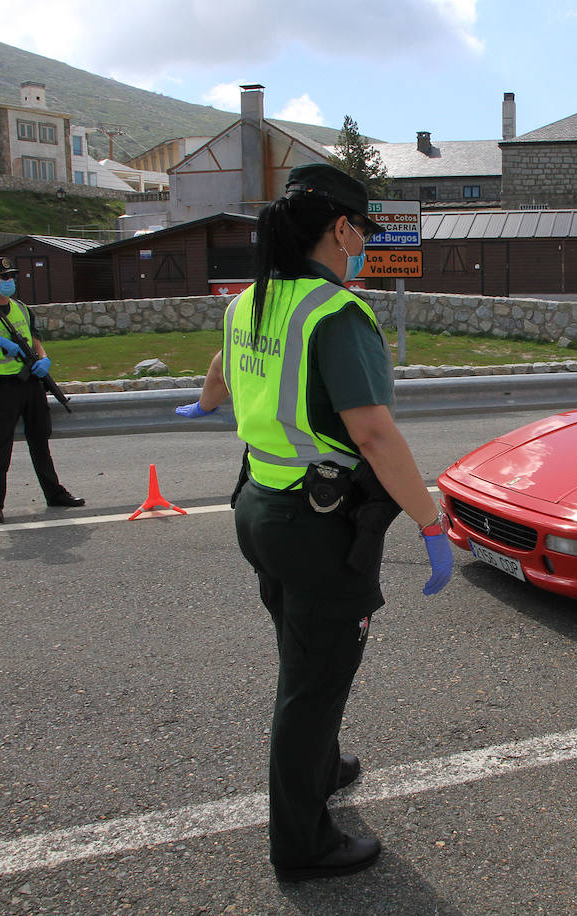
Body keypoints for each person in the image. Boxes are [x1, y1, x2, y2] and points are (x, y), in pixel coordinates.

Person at [177, 163, 453, 882]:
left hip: (258, 508)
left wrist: (207, 401)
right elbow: (375, 436)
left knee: (302, 652)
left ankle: (324, 766)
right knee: (313, 683)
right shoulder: (335, 313)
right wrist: (429, 522)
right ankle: (302, 844)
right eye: (362, 230)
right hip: (316, 524)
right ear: (340, 228)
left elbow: (220, 364)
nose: (363, 242)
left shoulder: (251, 301)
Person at [0, 257, 84, 524]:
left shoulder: (22, 309)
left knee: (40, 441)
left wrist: (43, 358)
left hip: (31, 384)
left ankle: (55, 494)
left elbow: (35, 340)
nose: (9, 282)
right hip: (1, 388)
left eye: (11, 276)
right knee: (0, 447)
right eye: (3, 278)